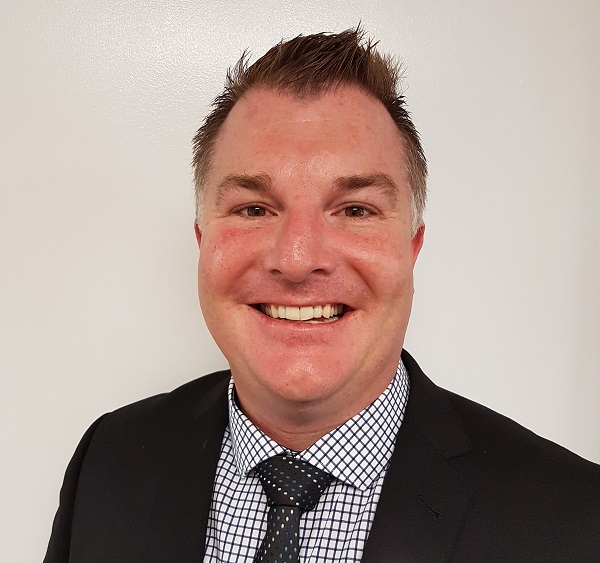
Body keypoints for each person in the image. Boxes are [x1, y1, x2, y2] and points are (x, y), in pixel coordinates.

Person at [44, 27, 599, 563]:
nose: (296, 258)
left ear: (412, 247)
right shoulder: (108, 460)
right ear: (203, 241)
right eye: (253, 209)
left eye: (355, 210)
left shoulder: (575, 519)